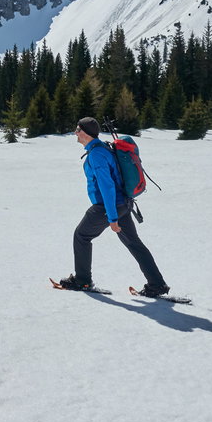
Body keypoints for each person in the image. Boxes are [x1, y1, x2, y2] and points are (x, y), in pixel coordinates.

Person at [57, 117, 170, 297]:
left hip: (107, 206)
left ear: (86, 133)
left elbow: (107, 187)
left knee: (81, 236)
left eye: (78, 130)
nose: (75, 133)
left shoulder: (97, 154)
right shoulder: (102, 148)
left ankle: (82, 281)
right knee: (133, 243)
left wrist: (112, 218)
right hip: (123, 203)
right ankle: (157, 284)